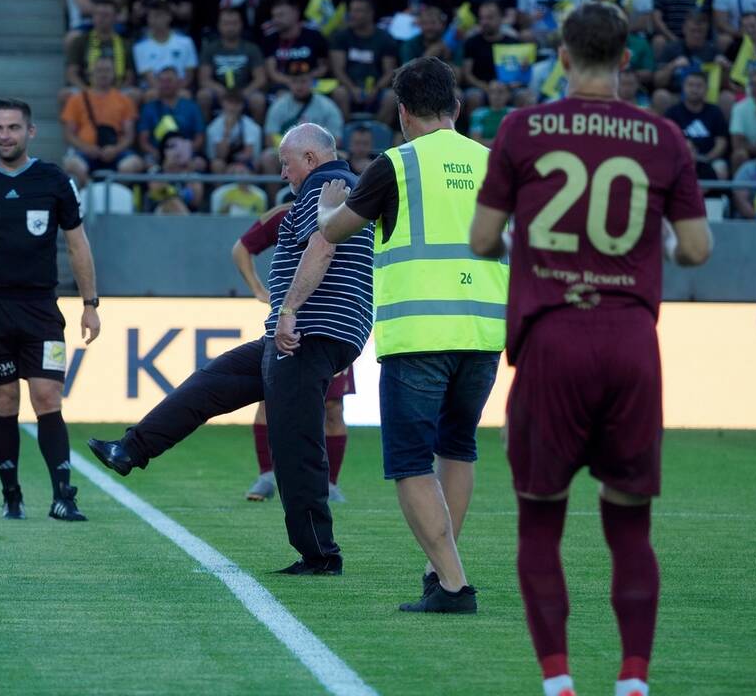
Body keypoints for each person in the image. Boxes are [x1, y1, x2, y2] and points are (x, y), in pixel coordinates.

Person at [468, 2, 711, 696]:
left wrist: (532, 242)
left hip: (553, 340)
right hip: (632, 341)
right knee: (630, 522)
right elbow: (695, 248)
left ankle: (559, 681)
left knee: (540, 518)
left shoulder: (521, 128)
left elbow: (483, 240)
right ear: (628, 59)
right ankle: (634, 680)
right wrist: (649, 242)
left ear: (563, 57)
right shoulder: (663, 136)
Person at [88, 123, 374, 575]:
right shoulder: (334, 186)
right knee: (213, 382)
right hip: (308, 329)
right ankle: (131, 449)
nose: (282, 173)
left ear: (311, 159)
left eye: (286, 163)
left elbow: (320, 248)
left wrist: (288, 311)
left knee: (294, 439)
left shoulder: (326, 186)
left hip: (309, 331)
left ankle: (320, 554)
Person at [316, 55, 507, 615]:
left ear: (402, 113)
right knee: (459, 447)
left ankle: (452, 583)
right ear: (458, 107)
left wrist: (328, 201)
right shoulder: (495, 162)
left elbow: (335, 229)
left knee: (409, 462)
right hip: (482, 330)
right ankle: (439, 570)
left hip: (419, 333)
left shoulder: (394, 165)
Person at [0, 98, 101, 523]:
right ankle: (11, 494)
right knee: (5, 402)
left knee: (48, 395)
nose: (5, 135)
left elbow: (77, 244)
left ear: (30, 132)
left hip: (41, 308)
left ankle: (63, 496)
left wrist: (90, 305)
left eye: (13, 127)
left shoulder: (54, 181)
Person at [231, 203, 357, 503]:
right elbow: (241, 248)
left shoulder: (351, 212)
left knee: (332, 407)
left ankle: (330, 484)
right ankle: (266, 475)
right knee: (269, 397)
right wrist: (259, 290)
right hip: (289, 320)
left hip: (333, 324)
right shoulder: (286, 212)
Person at [61, 57, 145, 187]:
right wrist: (86, 148)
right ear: (91, 74)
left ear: (113, 74)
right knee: (73, 165)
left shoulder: (124, 100)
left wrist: (115, 149)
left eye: (107, 70)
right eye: (99, 70)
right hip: (86, 151)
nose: (103, 74)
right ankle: (88, 200)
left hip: (116, 151)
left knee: (132, 165)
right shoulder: (76, 100)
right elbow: (69, 134)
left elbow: (129, 135)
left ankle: (116, 197)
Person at [329, 0, 399, 125]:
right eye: (351, 10)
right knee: (339, 93)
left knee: (391, 96)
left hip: (377, 89)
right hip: (348, 87)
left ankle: (376, 134)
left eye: (358, 11)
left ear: (370, 14)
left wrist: (376, 89)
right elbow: (338, 69)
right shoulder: (340, 36)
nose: (352, 15)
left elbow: (389, 71)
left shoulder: (385, 38)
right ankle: (346, 134)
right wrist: (352, 88)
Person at [665, 70, 729, 179]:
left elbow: (721, 143)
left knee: (721, 168)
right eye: (690, 85)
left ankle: (716, 195)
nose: (694, 90)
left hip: (709, 160)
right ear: (683, 87)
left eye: (699, 86)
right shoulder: (672, 113)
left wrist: (707, 159)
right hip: (680, 159)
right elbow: (668, 142)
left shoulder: (715, 112)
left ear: (706, 89)